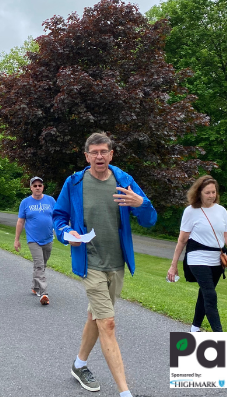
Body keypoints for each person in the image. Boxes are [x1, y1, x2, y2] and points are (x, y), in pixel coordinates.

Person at [53, 133, 157, 397]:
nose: (99, 157)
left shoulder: (124, 181)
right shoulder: (74, 182)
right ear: (86, 156)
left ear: (111, 154)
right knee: (108, 323)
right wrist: (67, 233)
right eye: (94, 152)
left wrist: (141, 203)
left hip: (117, 263)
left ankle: (79, 365)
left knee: (96, 317)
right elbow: (59, 217)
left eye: (104, 152)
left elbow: (149, 219)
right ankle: (125, 392)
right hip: (90, 261)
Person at [167, 176, 227, 332]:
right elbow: (182, 240)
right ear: (199, 192)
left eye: (213, 192)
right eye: (207, 192)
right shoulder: (191, 211)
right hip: (197, 258)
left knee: (205, 294)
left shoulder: (221, 211)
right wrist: (173, 265)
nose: (211, 195)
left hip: (217, 260)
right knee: (210, 295)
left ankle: (194, 329)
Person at [14, 176, 55, 305]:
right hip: (33, 239)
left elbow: (57, 217)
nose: (37, 187)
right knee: (39, 264)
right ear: (31, 187)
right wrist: (17, 239)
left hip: (48, 238)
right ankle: (44, 293)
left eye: (40, 185)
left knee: (43, 264)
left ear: (43, 187)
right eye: (35, 185)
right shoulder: (25, 202)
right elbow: (21, 221)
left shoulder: (51, 200)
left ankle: (35, 286)